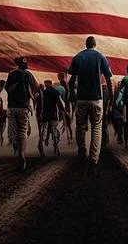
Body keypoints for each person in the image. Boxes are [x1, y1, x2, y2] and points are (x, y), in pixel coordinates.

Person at [67, 35, 113, 168]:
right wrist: (111, 96)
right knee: (96, 128)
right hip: (97, 98)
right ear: (95, 44)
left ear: (86, 44)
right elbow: (108, 80)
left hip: (81, 98)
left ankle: (82, 148)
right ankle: (93, 158)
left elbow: (71, 80)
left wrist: (72, 96)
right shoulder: (101, 57)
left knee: (80, 125)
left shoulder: (78, 57)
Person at [6, 56, 38, 170]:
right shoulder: (28, 74)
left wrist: (16, 85)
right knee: (23, 132)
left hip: (12, 107)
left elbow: (8, 89)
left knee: (13, 131)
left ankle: (16, 147)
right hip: (24, 107)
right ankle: (22, 154)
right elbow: (36, 87)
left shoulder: (11, 74)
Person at [40, 79, 67, 156]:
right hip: (53, 114)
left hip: (45, 114)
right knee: (54, 130)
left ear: (48, 84)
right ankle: (56, 147)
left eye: (46, 83)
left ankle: (42, 146)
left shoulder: (44, 92)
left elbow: (41, 103)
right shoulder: (55, 92)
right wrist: (64, 112)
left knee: (44, 130)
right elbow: (60, 103)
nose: (45, 85)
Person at [56, 71, 73, 144]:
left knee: (62, 122)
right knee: (67, 123)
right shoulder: (66, 85)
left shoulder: (62, 85)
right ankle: (70, 137)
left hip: (64, 106)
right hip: (67, 105)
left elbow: (63, 97)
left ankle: (68, 137)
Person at [0, 79, 8, 146]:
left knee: (2, 124)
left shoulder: (0, 93)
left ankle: (0, 137)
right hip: (7, 110)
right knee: (4, 124)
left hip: (3, 110)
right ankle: (1, 137)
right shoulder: (7, 92)